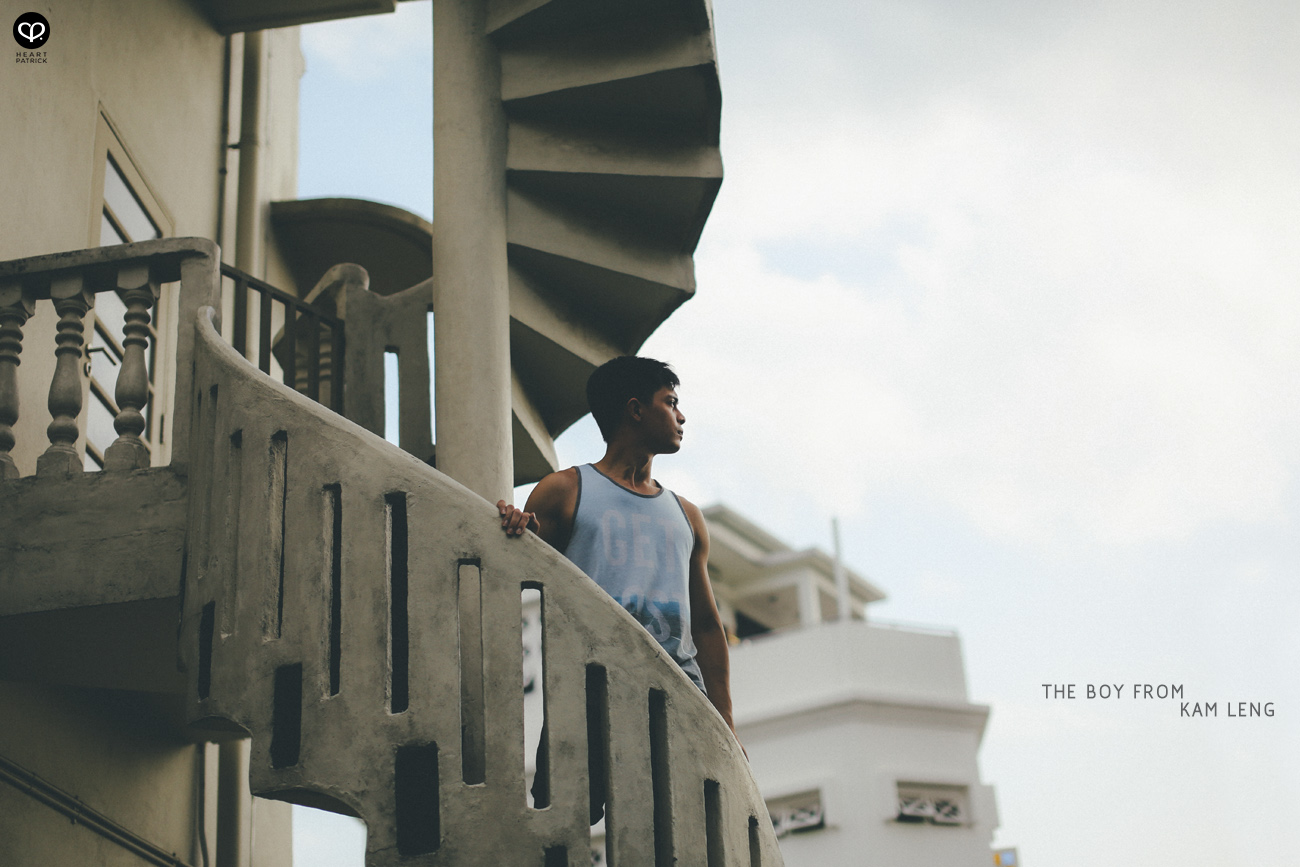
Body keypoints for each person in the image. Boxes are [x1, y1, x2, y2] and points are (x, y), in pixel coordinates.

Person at [497, 356, 738, 806]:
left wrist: (724, 722)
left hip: (679, 699)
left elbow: (706, 626)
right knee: (561, 829)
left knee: (672, 831)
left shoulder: (687, 516)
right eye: (671, 402)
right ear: (635, 409)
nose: (682, 416)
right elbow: (519, 573)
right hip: (584, 694)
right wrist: (513, 527)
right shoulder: (565, 490)